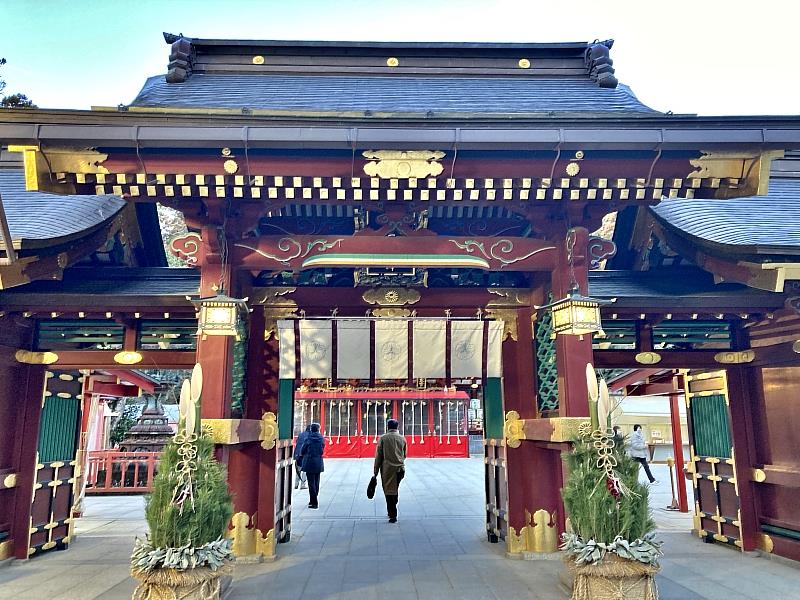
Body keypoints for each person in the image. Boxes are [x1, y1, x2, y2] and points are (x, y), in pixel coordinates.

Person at [374, 418, 406, 523]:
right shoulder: (402, 438)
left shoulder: (383, 438)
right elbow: (404, 455)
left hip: (388, 469)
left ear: (387, 427)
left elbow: (379, 456)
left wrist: (375, 471)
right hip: (400, 469)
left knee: (388, 491)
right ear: (397, 427)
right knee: (395, 488)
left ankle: (392, 514)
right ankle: (394, 503)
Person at [300, 422, 325, 509]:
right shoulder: (321, 438)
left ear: (311, 429)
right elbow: (322, 450)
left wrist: (302, 455)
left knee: (311, 483)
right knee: (316, 482)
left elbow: (303, 450)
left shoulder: (308, 438)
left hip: (309, 461)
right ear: (318, 429)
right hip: (318, 461)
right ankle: (313, 499)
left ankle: (314, 502)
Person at [294, 424, 311, 490]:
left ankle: (296, 484)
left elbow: (297, 443)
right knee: (304, 470)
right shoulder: (310, 436)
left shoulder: (301, 434)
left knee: (298, 470)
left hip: (298, 454)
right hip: (304, 454)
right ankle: (303, 484)